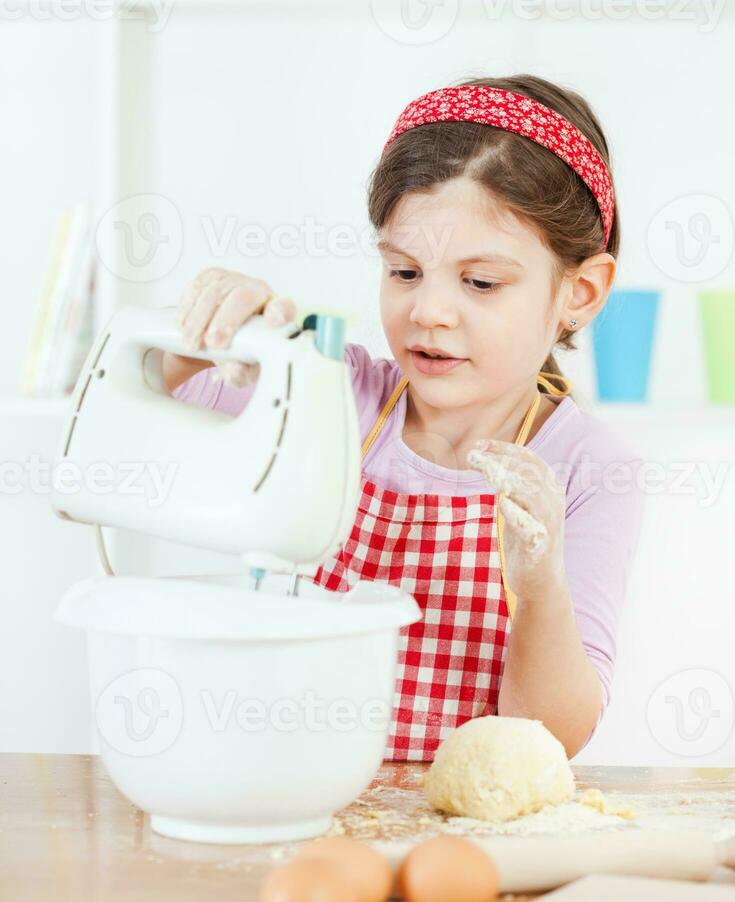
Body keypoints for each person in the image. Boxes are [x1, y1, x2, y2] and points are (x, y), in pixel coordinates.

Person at [164, 74, 646, 762]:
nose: (429, 311)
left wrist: (540, 587)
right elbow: (145, 399)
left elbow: (554, 734)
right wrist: (209, 332)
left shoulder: (590, 469)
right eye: (404, 271)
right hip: (294, 797)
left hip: (471, 834)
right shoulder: (333, 395)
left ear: (580, 292)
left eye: (480, 283)